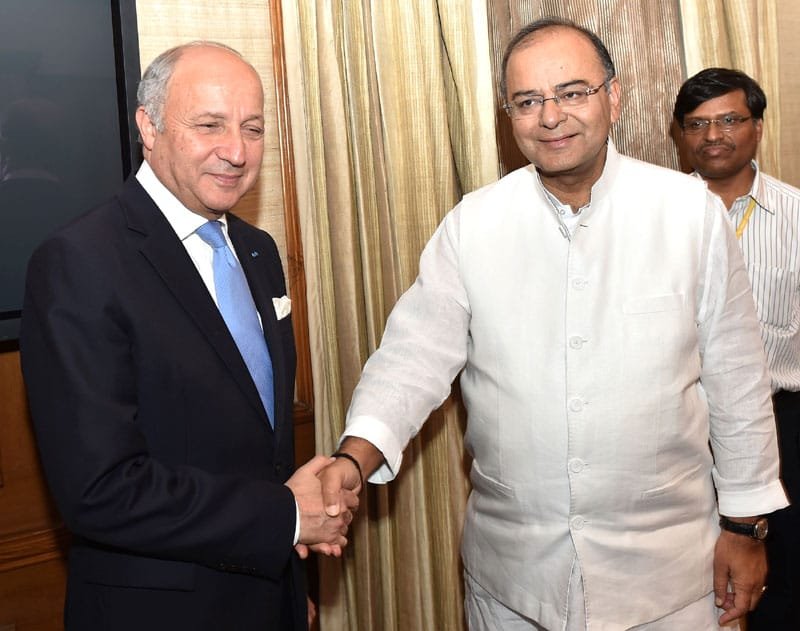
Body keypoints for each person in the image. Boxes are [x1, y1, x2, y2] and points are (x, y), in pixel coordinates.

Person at [318, 17, 788, 631]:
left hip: (669, 576)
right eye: (528, 100)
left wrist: (746, 527)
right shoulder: (474, 224)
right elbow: (413, 356)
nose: (551, 116)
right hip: (514, 579)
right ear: (507, 116)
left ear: (613, 97)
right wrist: (352, 458)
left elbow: (737, 380)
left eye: (573, 92)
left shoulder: (686, 212)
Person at [20, 41, 356, 631]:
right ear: (147, 128)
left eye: (252, 129)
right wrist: (285, 518)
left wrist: (287, 580)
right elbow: (101, 489)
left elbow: (261, 440)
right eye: (210, 125)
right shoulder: (81, 262)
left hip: (267, 592)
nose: (236, 151)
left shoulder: (258, 251)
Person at [673, 67, 800, 631]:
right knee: (689, 587)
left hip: (783, 426)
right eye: (697, 124)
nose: (713, 135)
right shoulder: (658, 220)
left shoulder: (798, 218)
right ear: (680, 135)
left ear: (758, 127)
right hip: (682, 428)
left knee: (782, 588)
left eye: (729, 119)